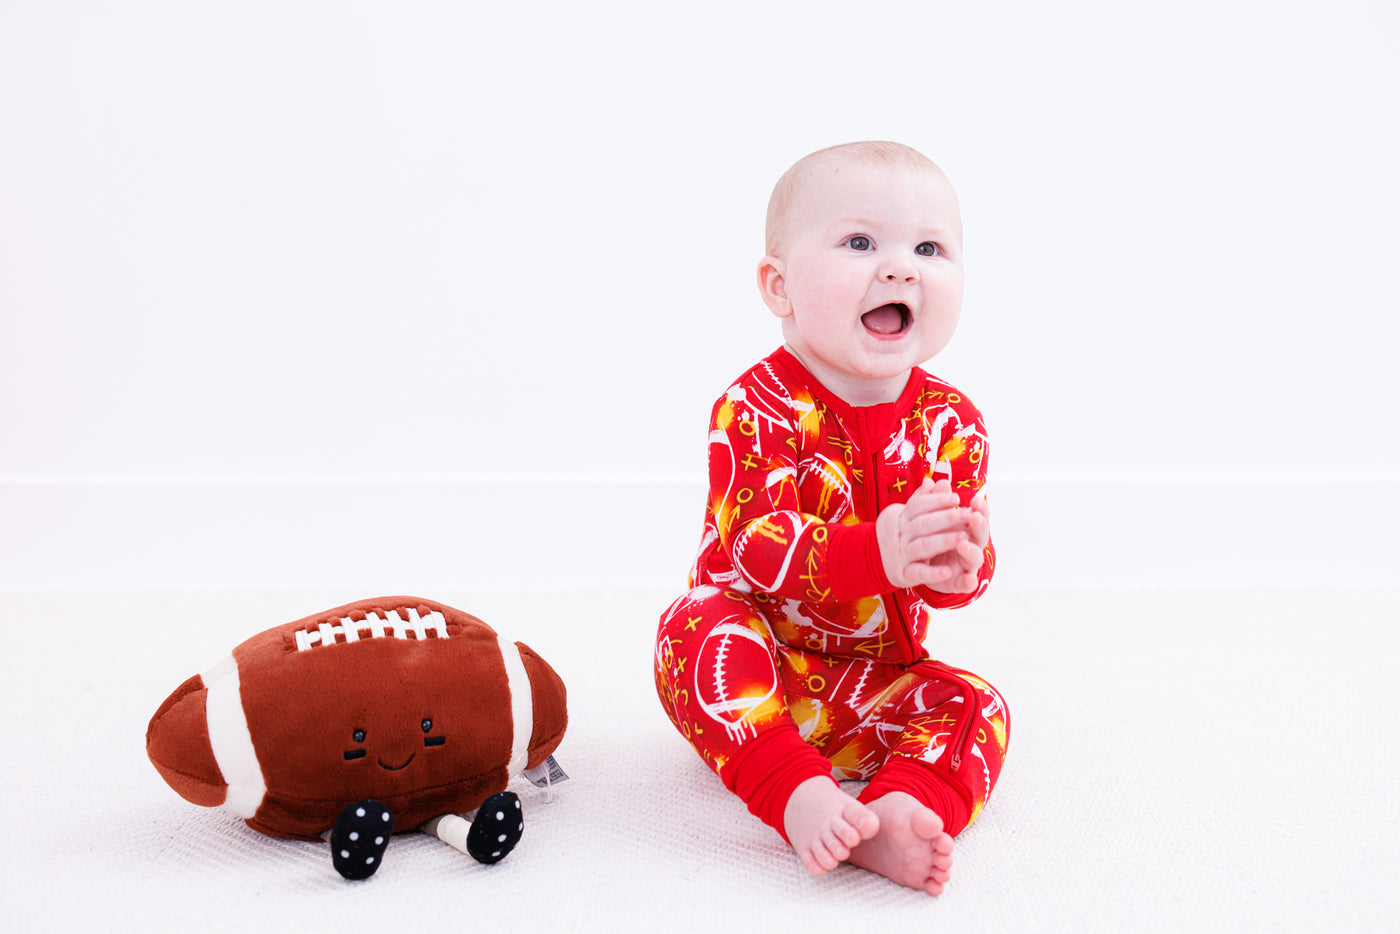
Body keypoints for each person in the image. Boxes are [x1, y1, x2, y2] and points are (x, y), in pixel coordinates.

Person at [653, 141, 1009, 897]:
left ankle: (897, 810)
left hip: (874, 681)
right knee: (688, 628)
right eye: (859, 242)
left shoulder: (954, 422)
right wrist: (879, 551)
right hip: (761, 669)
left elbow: (948, 580)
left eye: (930, 247)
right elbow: (756, 545)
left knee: (976, 703)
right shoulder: (756, 406)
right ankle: (795, 794)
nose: (901, 267)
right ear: (778, 286)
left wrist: (960, 568)